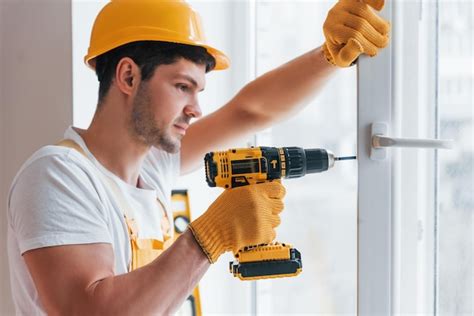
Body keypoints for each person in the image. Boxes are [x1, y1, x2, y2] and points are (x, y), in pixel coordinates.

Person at [7, 0, 389, 314]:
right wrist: (208, 237)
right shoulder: (58, 175)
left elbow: (249, 111)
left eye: (198, 90)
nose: (196, 109)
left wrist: (331, 57)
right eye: (182, 87)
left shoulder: (152, 169)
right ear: (128, 77)